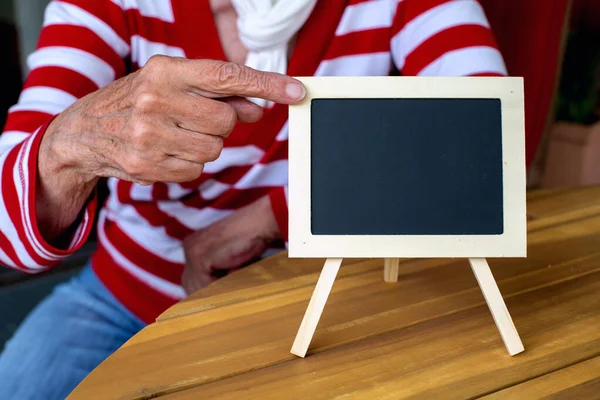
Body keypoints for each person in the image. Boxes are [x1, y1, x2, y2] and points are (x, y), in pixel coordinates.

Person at [0, 0, 508, 398]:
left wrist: (272, 216)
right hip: (129, 295)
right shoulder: (110, 4)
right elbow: (7, 230)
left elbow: (488, 142)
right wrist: (70, 145)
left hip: (320, 300)